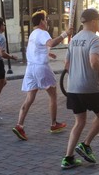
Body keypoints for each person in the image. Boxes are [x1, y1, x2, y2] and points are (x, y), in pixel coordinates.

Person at [61, 8, 99, 169]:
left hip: (73, 88)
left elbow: (66, 64)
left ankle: (68, 158)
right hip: (89, 87)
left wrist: (76, 73)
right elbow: (94, 61)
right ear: (94, 21)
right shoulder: (95, 40)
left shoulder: (74, 39)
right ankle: (86, 144)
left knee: (79, 121)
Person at [12, 10, 72, 141]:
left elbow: (36, 49)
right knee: (53, 94)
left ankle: (19, 125)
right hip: (41, 67)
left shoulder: (33, 34)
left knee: (29, 98)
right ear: (41, 21)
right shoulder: (43, 33)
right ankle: (54, 124)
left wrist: (48, 53)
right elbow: (51, 43)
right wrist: (64, 34)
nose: (47, 21)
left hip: (30, 68)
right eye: (46, 19)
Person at [0, 18, 18, 123]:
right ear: (0, 26)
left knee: (3, 82)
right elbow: (2, 54)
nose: (4, 26)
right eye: (3, 24)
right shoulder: (0, 37)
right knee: (0, 85)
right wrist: (12, 57)